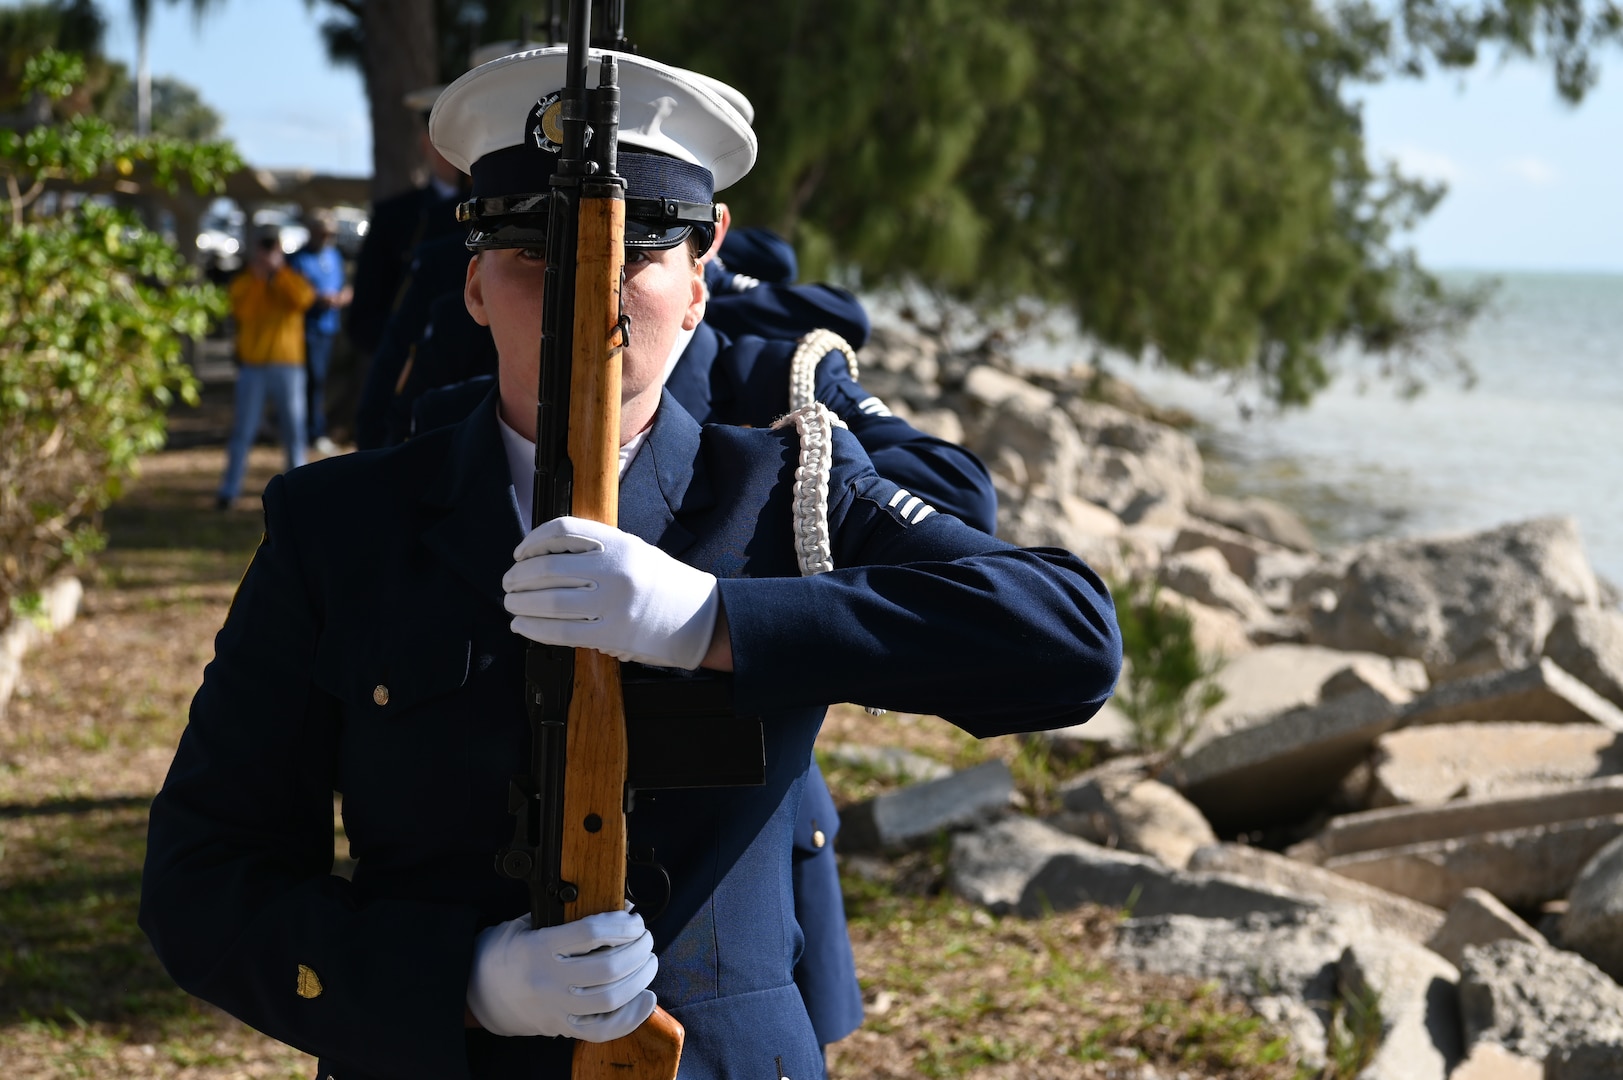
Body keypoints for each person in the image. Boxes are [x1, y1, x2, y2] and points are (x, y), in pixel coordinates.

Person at [142, 49, 1121, 1079]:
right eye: (532, 253)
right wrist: (462, 981)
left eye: (637, 254)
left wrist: (715, 622)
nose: (587, 294)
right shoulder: (341, 527)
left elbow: (1068, 639)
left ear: (701, 281)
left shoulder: (785, 493)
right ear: (473, 283)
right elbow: (203, 878)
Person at [215, 225, 316, 510]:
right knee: (243, 431)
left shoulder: (292, 279)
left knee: (294, 431)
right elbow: (240, 310)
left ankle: (300, 491)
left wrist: (279, 274)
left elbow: (302, 301)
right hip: (253, 368)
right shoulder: (244, 283)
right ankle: (229, 491)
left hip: (289, 366)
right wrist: (260, 278)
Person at [289, 209, 353, 456]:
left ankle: (313, 429)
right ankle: (310, 432)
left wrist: (343, 296)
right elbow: (295, 292)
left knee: (321, 380)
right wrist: (317, 298)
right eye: (322, 232)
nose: (326, 237)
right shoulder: (299, 259)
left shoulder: (334, 256)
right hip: (306, 329)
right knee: (310, 381)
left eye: (330, 233)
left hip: (329, 327)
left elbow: (343, 285)